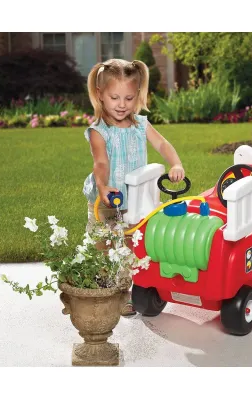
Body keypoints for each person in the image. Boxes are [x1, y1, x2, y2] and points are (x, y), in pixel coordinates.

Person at [82, 58, 185, 316]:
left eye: (128, 98)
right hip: (108, 200)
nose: (122, 104)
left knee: (131, 246)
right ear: (100, 94)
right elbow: (101, 163)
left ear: (137, 95)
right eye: (114, 97)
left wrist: (175, 163)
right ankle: (102, 289)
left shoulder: (141, 125)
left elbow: (162, 144)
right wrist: (103, 186)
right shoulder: (99, 131)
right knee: (104, 246)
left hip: (136, 201)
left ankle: (124, 292)